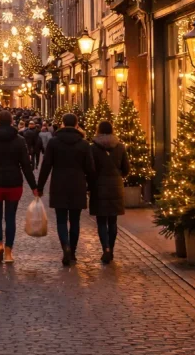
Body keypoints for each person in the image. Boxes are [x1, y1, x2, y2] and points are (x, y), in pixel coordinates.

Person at [0, 110, 38, 264]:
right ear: (11, 121)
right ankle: (9, 251)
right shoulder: (19, 140)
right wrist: (34, 186)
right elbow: (26, 165)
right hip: (14, 182)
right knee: (10, 217)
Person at [37, 114, 95, 266]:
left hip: (59, 184)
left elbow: (46, 165)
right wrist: (91, 186)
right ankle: (73, 251)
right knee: (75, 220)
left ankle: (66, 247)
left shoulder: (54, 142)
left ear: (62, 124)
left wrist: (40, 186)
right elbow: (90, 168)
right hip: (78, 184)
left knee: (61, 220)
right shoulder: (84, 144)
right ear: (76, 124)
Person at [89, 120, 130, 263]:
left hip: (98, 187)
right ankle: (111, 249)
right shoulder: (120, 147)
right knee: (113, 221)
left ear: (98, 130)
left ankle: (105, 248)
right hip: (115, 187)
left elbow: (90, 169)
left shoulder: (93, 148)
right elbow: (126, 169)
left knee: (101, 221)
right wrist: (117, 176)